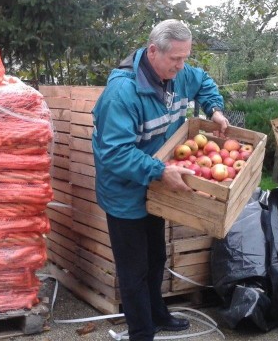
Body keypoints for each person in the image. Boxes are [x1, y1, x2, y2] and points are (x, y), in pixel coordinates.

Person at [91, 19, 228, 341]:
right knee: (134, 267)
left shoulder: (179, 76)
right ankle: (141, 331)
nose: (181, 67)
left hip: (155, 186)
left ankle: (158, 314)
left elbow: (203, 81)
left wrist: (215, 109)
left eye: (185, 58)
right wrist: (160, 171)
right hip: (124, 191)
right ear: (153, 51)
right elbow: (114, 154)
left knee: (156, 257)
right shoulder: (121, 94)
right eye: (175, 60)